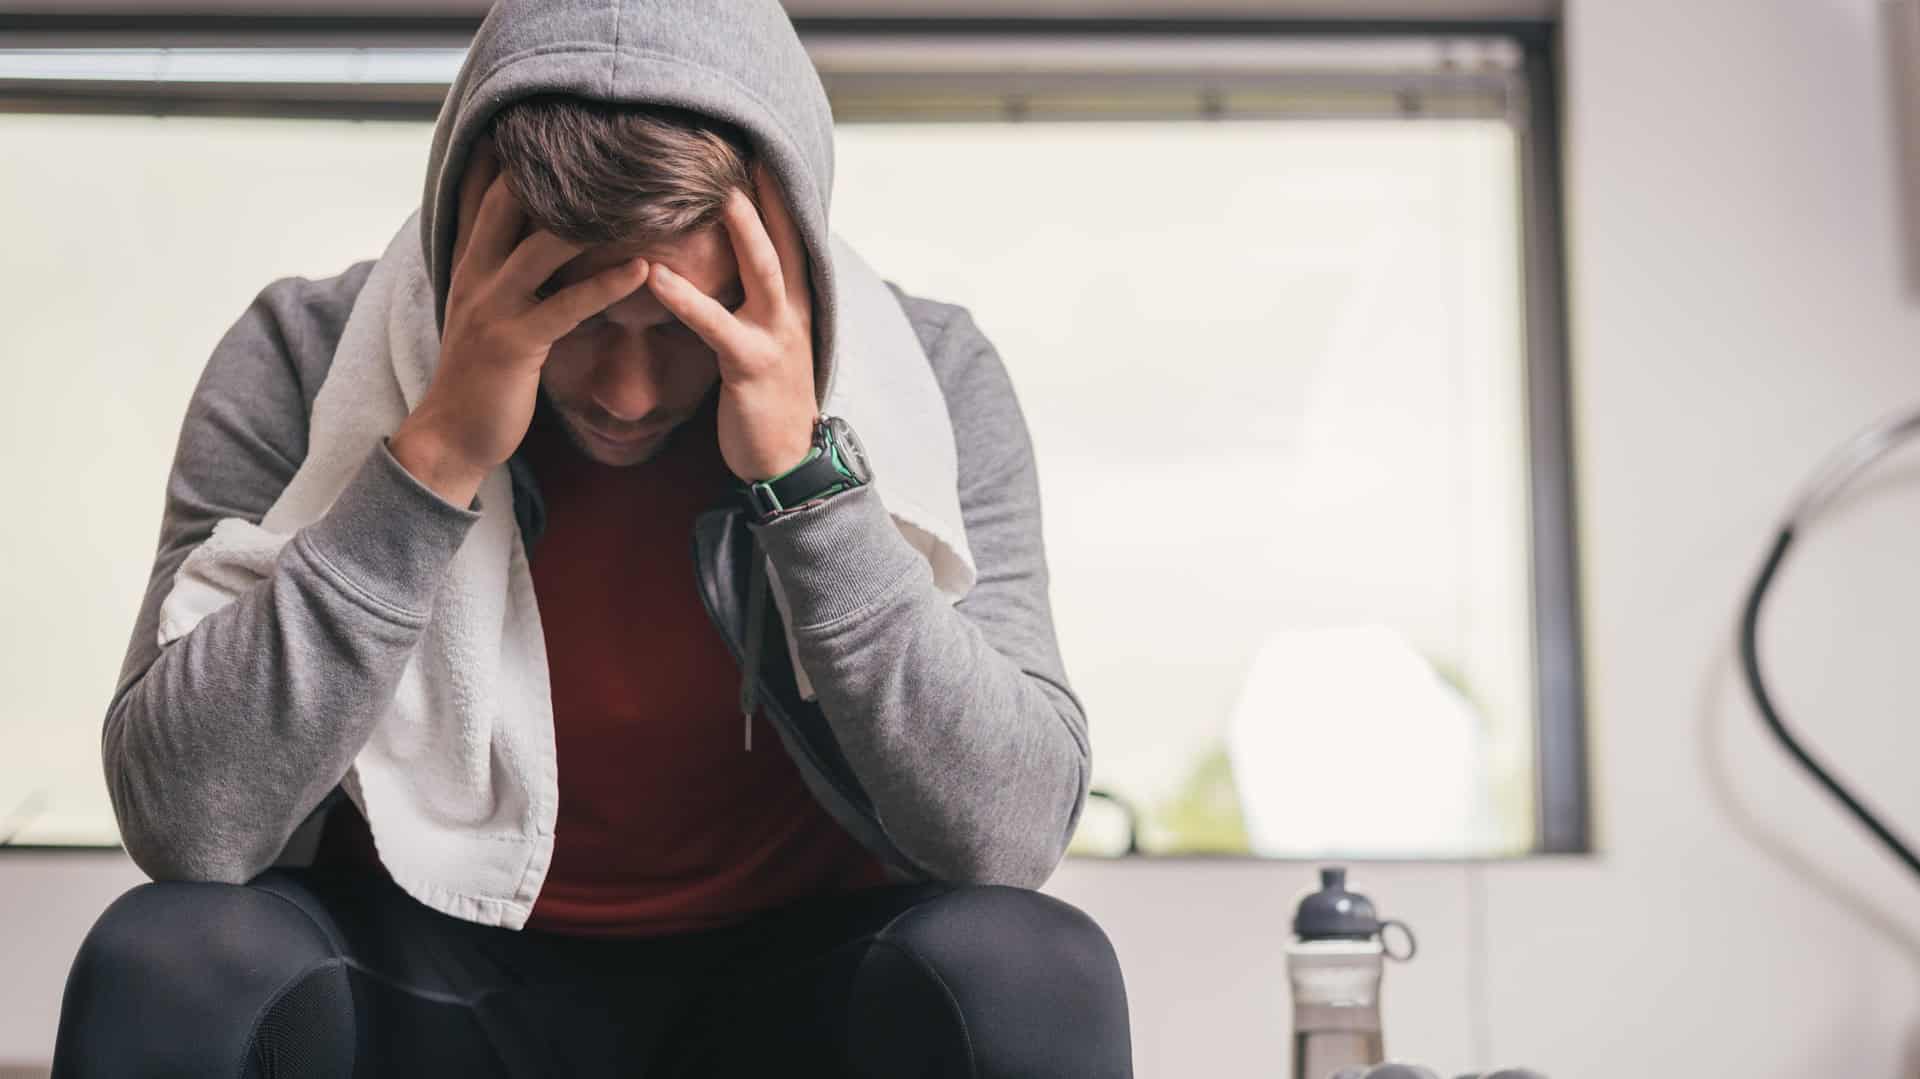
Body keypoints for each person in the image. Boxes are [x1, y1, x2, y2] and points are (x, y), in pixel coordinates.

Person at [49, 1, 1131, 1075]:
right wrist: (427, 463)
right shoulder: (302, 355)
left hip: (798, 976)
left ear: (783, 262)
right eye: (569, 317)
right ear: (462, 246)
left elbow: (1010, 831)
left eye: (684, 328)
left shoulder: (929, 376)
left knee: (1029, 965)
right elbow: (185, 826)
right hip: (421, 962)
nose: (626, 390)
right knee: (171, 956)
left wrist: (811, 481)